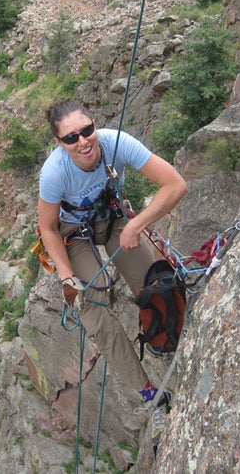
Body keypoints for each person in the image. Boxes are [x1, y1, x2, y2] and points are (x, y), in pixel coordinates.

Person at [37, 100, 188, 419]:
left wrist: (136, 224)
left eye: (87, 130)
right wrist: (67, 279)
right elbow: (48, 229)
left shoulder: (117, 142)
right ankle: (150, 394)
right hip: (75, 233)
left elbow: (175, 184)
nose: (83, 142)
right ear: (59, 144)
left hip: (115, 218)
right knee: (95, 313)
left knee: (159, 286)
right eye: (70, 138)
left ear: (95, 124)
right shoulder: (54, 173)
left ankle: (171, 340)